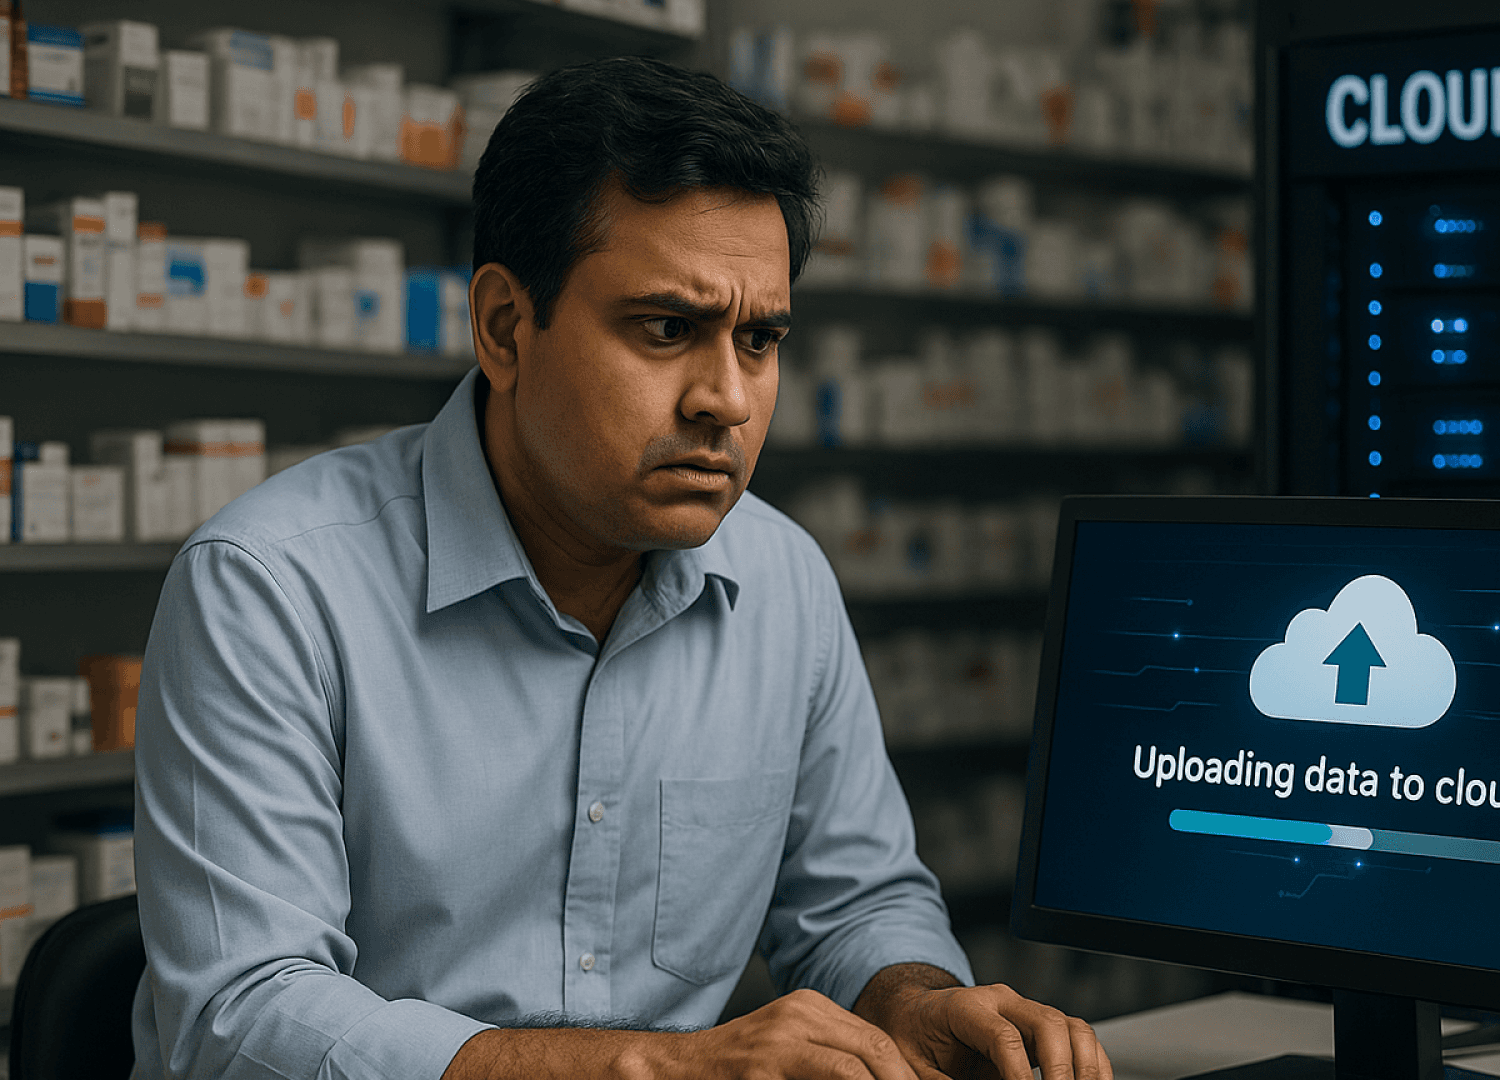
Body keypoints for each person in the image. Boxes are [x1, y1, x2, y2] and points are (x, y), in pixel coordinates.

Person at [131, 56, 1114, 1080]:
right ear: (507, 328)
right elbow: (242, 1022)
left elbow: (856, 903)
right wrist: (658, 1069)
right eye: (667, 329)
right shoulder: (270, 587)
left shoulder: (782, 580)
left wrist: (916, 1002)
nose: (725, 400)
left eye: (761, 338)